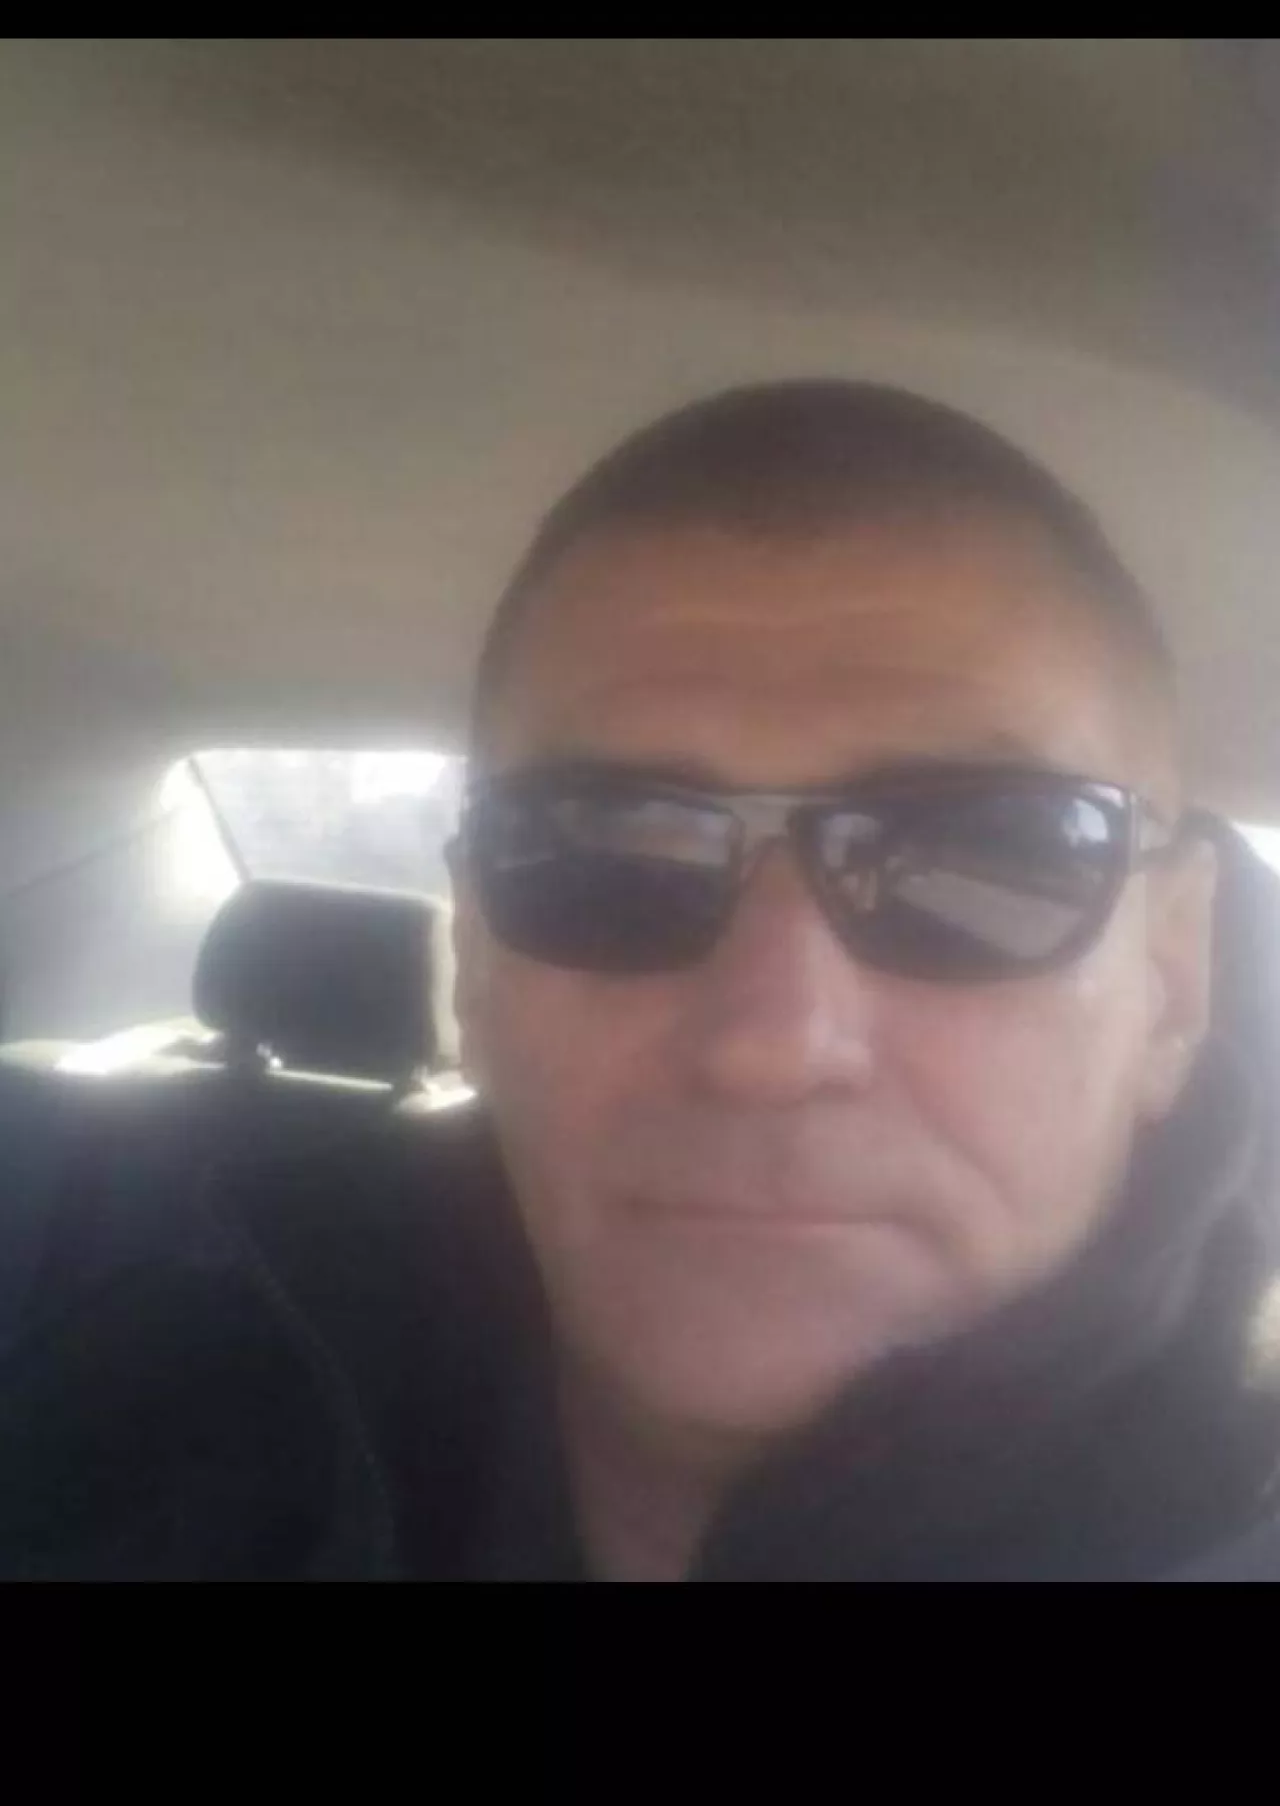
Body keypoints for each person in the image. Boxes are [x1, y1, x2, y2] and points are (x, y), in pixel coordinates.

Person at [3, 378, 1279, 1581]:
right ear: (475, 963)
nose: (772, 1040)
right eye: (604, 858)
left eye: (981, 855)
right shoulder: (113, 1426)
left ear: (1169, 984)